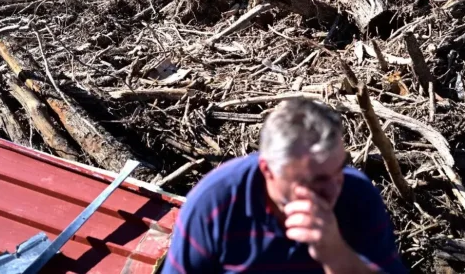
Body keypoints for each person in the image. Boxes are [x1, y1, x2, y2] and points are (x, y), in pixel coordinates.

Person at [162, 99, 407, 273]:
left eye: (339, 170)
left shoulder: (358, 195)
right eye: (316, 181)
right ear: (268, 170)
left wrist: (336, 255)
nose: (334, 189)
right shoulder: (215, 203)